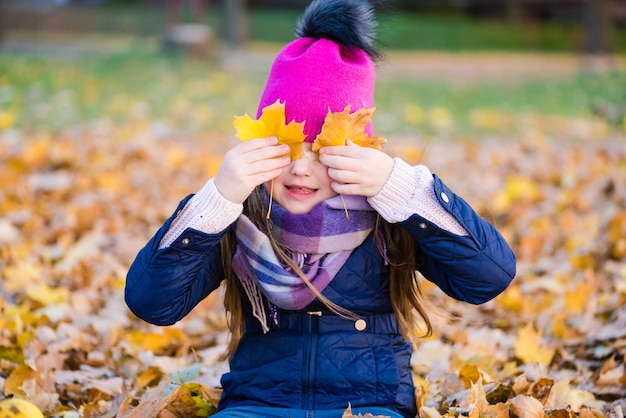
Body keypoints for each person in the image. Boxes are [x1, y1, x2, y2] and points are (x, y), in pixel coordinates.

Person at [124, 0, 516, 417]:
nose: (301, 168)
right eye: (286, 145)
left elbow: (488, 277)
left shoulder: (390, 218)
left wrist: (405, 190)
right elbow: (153, 303)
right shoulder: (243, 217)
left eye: (323, 149)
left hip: (370, 407)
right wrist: (216, 199)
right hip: (258, 407)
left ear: (358, 150)